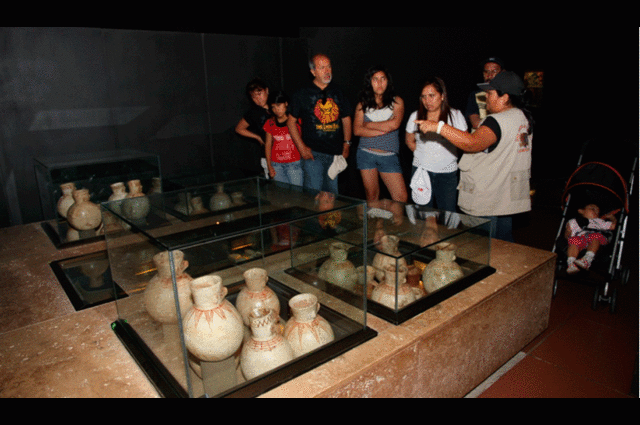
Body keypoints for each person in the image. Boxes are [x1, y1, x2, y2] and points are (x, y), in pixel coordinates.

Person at [415, 70, 534, 242]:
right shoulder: (523, 117)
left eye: (490, 93)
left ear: (504, 97)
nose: (486, 97)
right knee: (505, 246)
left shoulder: (496, 121)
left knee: (482, 249)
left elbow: (472, 143)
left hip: (488, 199)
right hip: (506, 199)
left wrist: (438, 127)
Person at [287, 54, 352, 194]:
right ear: (313, 71)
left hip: (335, 153)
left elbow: (346, 118)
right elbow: (291, 122)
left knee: (332, 196)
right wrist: (301, 147)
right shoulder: (302, 93)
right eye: (322, 68)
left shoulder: (339, 92)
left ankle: (332, 216)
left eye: (328, 66)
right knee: (314, 196)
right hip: (312, 154)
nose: (327, 70)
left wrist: (347, 143)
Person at [405, 76, 467, 211]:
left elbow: (465, 142)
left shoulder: (455, 116)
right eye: (424, 97)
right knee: (422, 216)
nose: (427, 101)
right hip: (422, 172)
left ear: (442, 96)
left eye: (432, 95)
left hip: (447, 174)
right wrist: (422, 157)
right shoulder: (415, 116)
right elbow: (409, 140)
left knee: (448, 216)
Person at [353, 65, 407, 204]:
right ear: (369, 82)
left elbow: (394, 125)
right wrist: (384, 129)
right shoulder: (362, 104)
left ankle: (392, 225)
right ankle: (375, 225)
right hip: (366, 154)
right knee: (372, 197)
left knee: (401, 198)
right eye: (375, 79)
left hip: (389, 156)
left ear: (388, 81)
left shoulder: (397, 102)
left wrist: (368, 125)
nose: (379, 83)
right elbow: (357, 130)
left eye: (383, 79)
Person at [262, 90, 303, 186]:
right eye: (273, 107)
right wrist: (269, 166)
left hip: (294, 163)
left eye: (279, 105)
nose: (277, 109)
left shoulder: (296, 121)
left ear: (286, 103)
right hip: (277, 165)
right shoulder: (270, 123)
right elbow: (268, 145)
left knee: (297, 195)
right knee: (282, 195)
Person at [565, 203, 617, 274]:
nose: (595, 211)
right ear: (581, 211)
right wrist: (568, 232)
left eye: (597, 212)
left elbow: (613, 226)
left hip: (596, 240)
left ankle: (587, 259)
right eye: (592, 209)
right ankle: (571, 263)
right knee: (573, 241)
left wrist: (612, 218)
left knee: (594, 236)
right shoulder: (574, 221)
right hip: (581, 240)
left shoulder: (599, 221)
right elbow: (568, 236)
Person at [235, 78, 271, 178]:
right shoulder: (254, 112)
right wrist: (257, 137)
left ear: (266, 90)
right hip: (269, 153)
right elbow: (239, 128)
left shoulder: (277, 104)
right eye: (254, 97)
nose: (258, 99)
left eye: (259, 94)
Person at [465, 57, 504, 131]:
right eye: (486, 71)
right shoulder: (475, 95)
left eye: (494, 71)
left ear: (502, 73)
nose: (489, 75)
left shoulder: (507, 95)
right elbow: (475, 123)